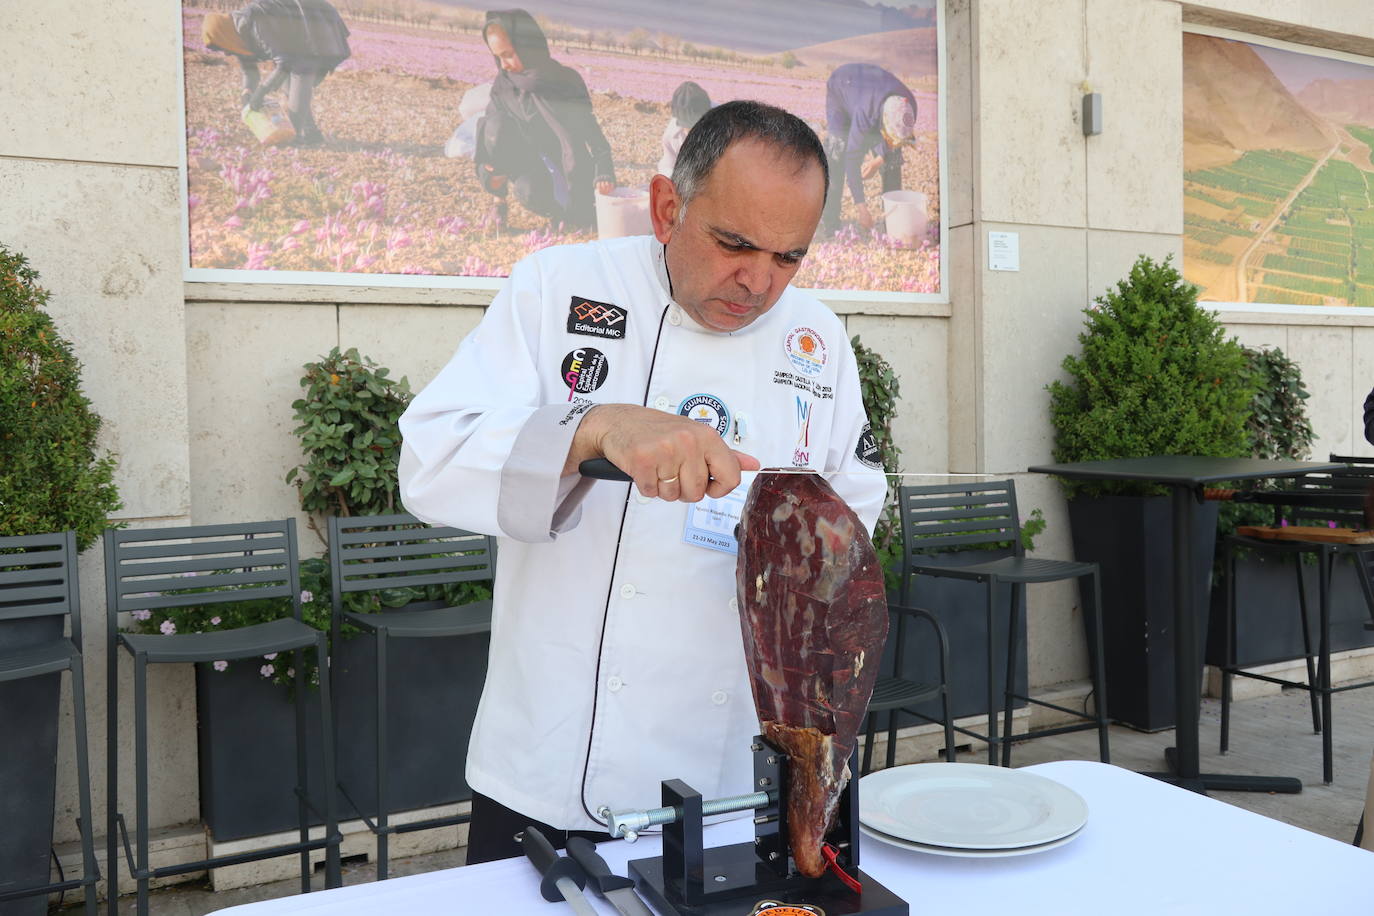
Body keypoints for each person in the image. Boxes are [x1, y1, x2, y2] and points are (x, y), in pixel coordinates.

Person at [399, 100, 887, 863]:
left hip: (730, 779)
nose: (759, 282)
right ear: (667, 207)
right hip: (551, 771)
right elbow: (428, 462)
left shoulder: (818, 340)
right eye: (734, 243)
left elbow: (852, 512)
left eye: (789, 257)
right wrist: (592, 429)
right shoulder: (556, 290)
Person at [475, 9, 616, 232]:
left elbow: (592, 134)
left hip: (570, 167)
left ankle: (572, 210)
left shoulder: (565, 81)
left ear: (527, 45)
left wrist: (604, 171)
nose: (503, 65)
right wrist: (492, 177)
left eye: (508, 54)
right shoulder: (503, 86)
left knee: (581, 217)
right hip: (532, 164)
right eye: (497, 57)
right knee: (494, 126)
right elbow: (491, 138)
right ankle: (514, 207)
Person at [821, 62, 919, 233]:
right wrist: (862, 208)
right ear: (882, 124)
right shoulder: (865, 113)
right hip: (842, 87)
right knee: (837, 153)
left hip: (867, 92)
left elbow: (896, 140)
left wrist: (878, 161)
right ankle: (831, 223)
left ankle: (893, 223)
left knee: (892, 160)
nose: (891, 140)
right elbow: (852, 160)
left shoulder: (908, 105)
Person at [657, 80, 712, 177]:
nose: (691, 131)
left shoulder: (726, 125)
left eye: (696, 125)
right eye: (688, 126)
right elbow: (668, 166)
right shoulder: (671, 136)